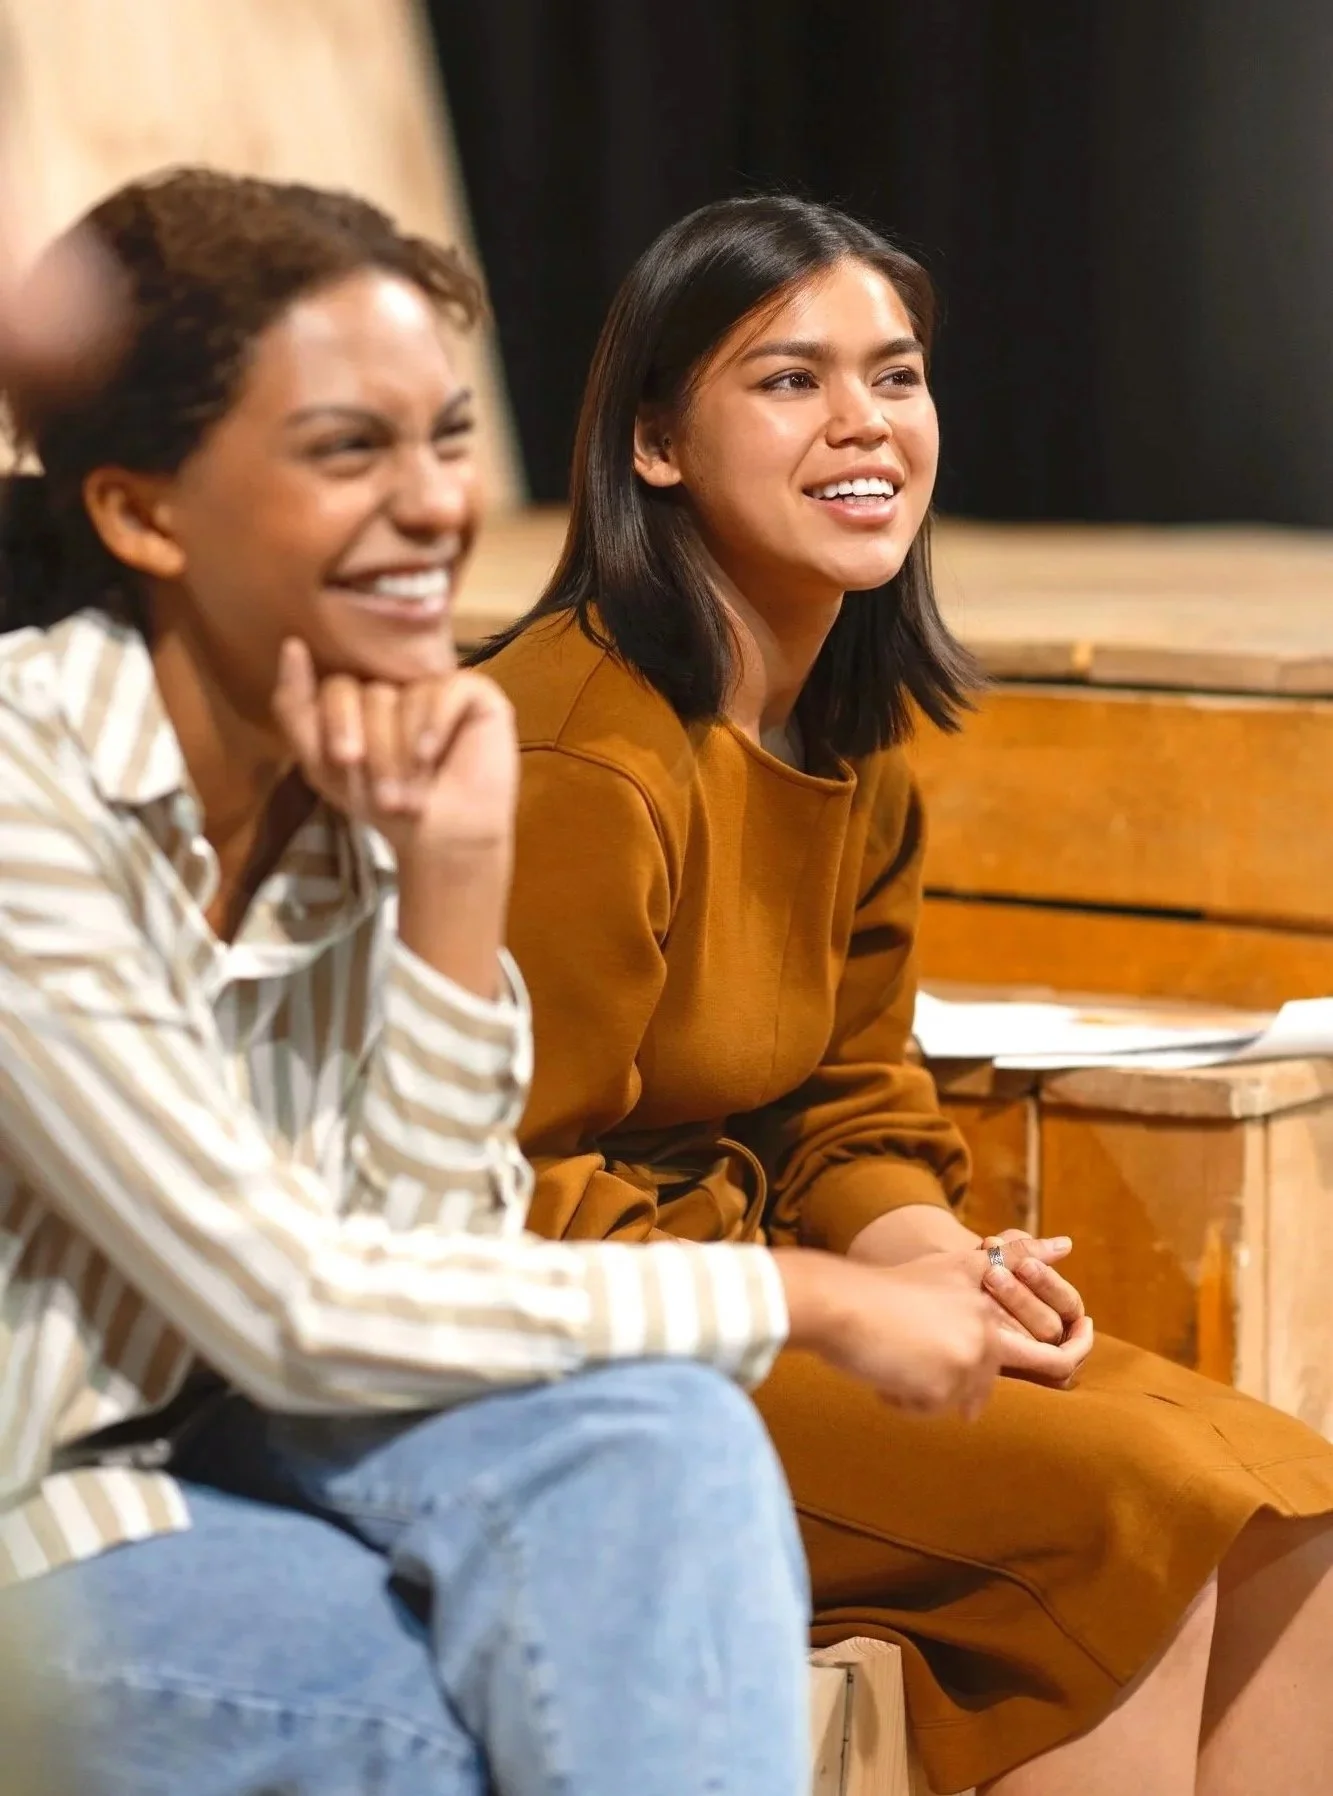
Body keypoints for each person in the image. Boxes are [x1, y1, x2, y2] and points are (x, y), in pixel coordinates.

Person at [0, 170, 1005, 1796]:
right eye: (347, 448)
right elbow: (301, 1301)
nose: (430, 503)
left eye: (449, 437)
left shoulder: (363, 757)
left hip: (253, 1433)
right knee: (468, 1723)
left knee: (661, 1443)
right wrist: (813, 1296)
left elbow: (428, 1250)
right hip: (47, 1495)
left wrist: (452, 882)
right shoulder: (27, 791)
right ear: (144, 512)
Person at [476, 194, 1333, 1796]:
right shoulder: (575, 761)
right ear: (656, 442)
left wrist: (947, 1263)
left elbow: (850, 1103)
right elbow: (495, 1201)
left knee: (1290, 1498)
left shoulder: (844, 738)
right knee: (1119, 1503)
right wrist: (844, 1309)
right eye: (790, 381)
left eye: (898, 374)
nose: (864, 422)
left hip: (739, 1299)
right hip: (553, 1360)